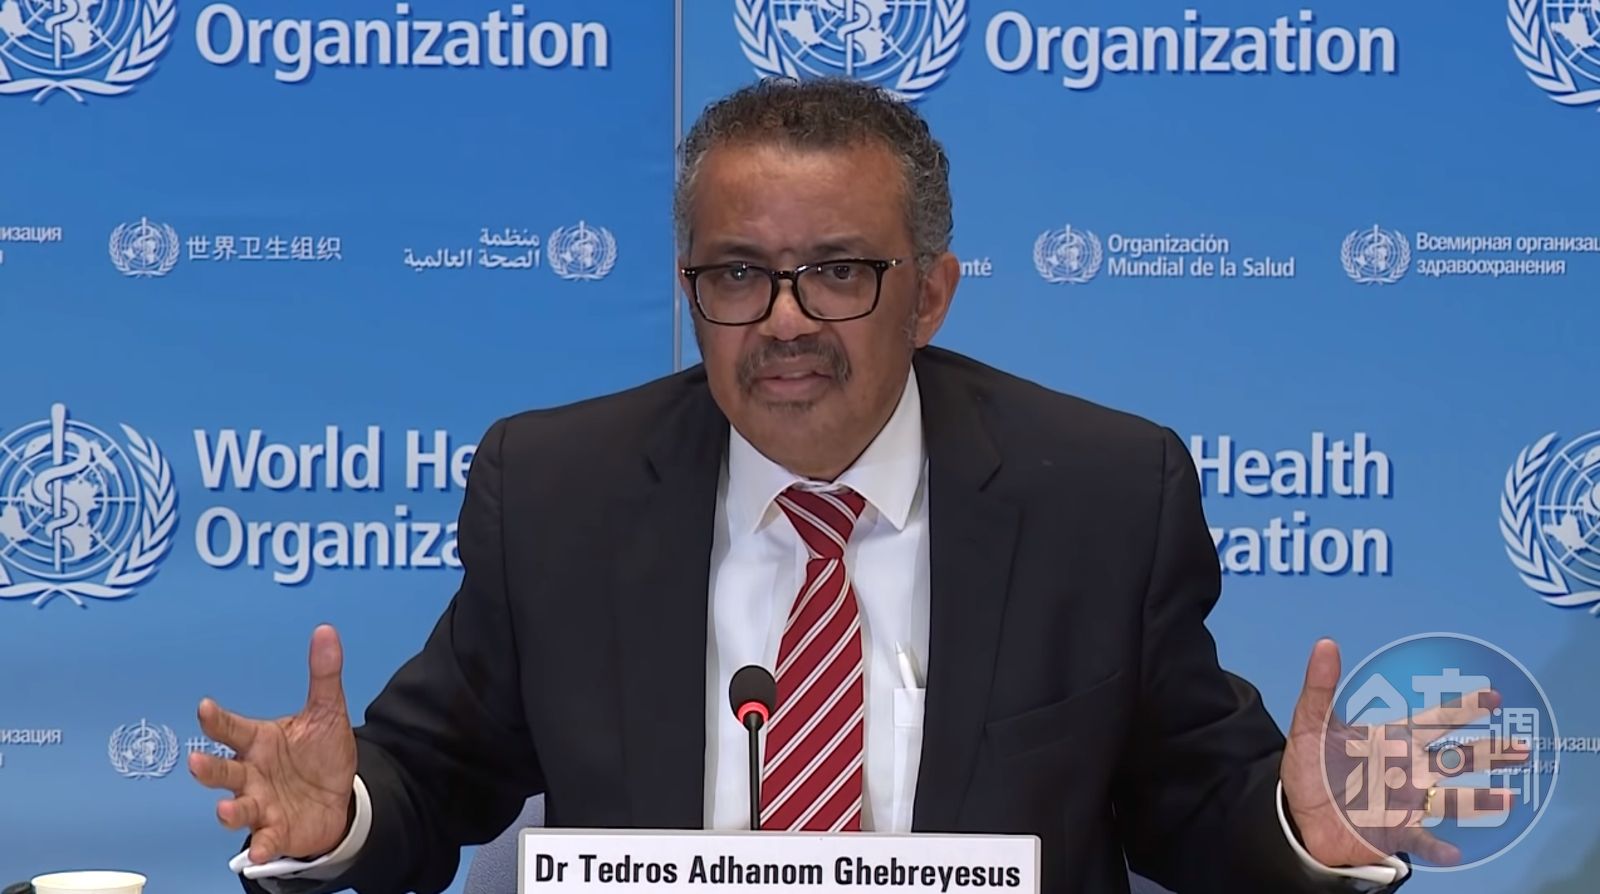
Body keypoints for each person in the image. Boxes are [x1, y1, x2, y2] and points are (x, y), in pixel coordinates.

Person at [191, 79, 1497, 894]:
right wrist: (338, 817)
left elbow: (1191, 798)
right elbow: (436, 773)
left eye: (838, 271)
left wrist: (1301, 825)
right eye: (737, 274)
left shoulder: (1101, 493)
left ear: (930, 293)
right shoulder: (556, 492)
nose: (785, 320)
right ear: (691, 291)